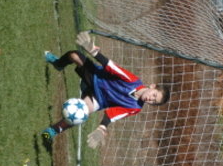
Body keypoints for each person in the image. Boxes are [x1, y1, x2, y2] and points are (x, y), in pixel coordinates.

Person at [42, 31, 170, 148]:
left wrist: (102, 128)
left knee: (78, 115)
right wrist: (93, 52)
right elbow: (112, 67)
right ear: (152, 86)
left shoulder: (135, 107)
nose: (150, 99)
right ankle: (58, 64)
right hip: (97, 77)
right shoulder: (133, 81)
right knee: (74, 55)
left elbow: (113, 114)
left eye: (153, 102)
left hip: (98, 99)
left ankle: (50, 132)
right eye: (154, 95)